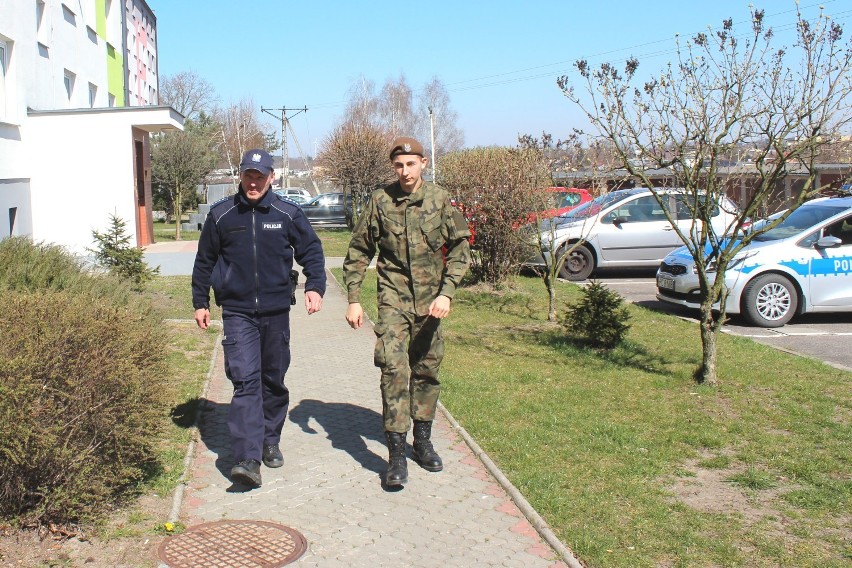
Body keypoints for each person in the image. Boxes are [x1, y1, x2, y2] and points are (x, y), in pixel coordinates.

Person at [192, 148, 326, 488]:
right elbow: (204, 260)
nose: (253, 182)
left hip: (276, 311)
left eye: (260, 176)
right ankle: (248, 458)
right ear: (241, 175)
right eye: (249, 175)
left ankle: (270, 439)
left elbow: (310, 250)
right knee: (245, 381)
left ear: (271, 178)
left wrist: (315, 286)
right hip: (236, 311)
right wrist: (200, 301)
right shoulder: (222, 215)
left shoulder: (287, 213)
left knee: (273, 380)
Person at [343, 136, 471, 487]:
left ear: (423, 164)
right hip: (394, 299)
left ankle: (423, 441)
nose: (404, 171)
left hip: (432, 303)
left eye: (411, 164)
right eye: (398, 165)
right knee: (393, 369)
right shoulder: (380, 201)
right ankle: (396, 455)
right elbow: (358, 251)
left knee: (427, 371)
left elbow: (460, 248)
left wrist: (447, 293)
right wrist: (353, 298)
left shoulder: (439, 200)